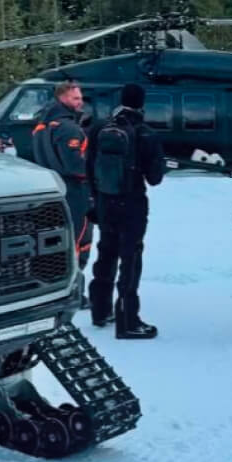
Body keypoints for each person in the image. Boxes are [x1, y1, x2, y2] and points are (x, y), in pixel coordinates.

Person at [85, 83, 165, 339]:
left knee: (105, 252)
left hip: (105, 201)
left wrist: (94, 201)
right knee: (130, 259)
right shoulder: (145, 133)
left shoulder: (98, 128)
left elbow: (88, 167)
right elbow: (154, 178)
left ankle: (100, 310)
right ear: (141, 104)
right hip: (131, 203)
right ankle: (128, 319)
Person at [31, 81, 93, 280]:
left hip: (52, 190)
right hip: (74, 192)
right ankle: (73, 285)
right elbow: (75, 165)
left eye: (80, 98)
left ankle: (53, 280)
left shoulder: (42, 126)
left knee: (55, 239)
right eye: (76, 98)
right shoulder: (68, 129)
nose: (80, 102)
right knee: (78, 240)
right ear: (62, 98)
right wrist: (96, 171)